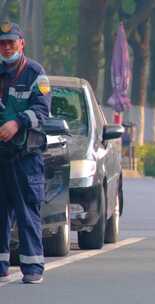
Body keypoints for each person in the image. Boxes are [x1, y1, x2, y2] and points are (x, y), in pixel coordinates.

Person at [0, 21, 51, 284]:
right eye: (2, 43)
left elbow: (42, 111)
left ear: (22, 43)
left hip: (25, 158)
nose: (7, 47)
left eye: (11, 42)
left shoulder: (35, 73)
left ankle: (32, 269)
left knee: (27, 213)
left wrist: (17, 123)